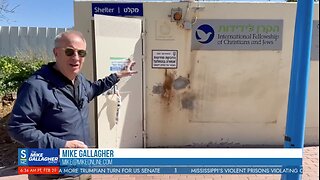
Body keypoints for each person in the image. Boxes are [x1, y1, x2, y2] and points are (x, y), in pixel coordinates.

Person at [7, 30, 137, 179]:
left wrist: (117, 75)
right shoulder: (36, 86)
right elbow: (18, 128)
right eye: (69, 52)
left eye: (81, 53)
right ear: (56, 53)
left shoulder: (79, 80)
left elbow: (93, 89)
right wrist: (62, 145)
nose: (76, 57)